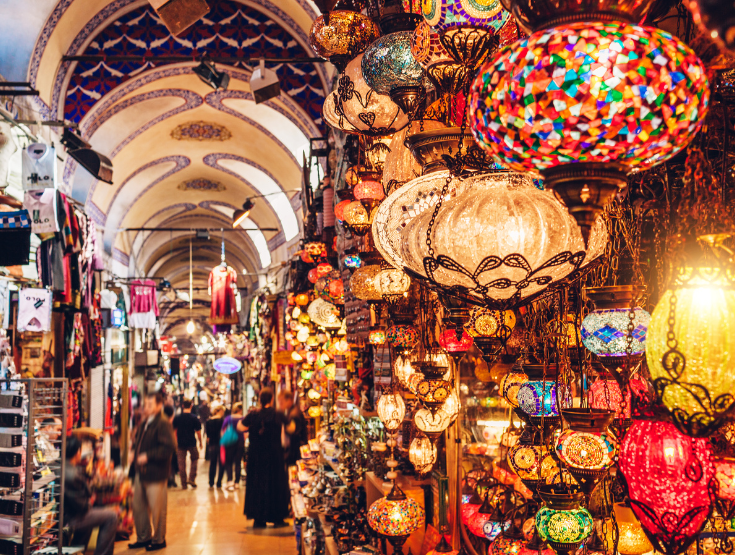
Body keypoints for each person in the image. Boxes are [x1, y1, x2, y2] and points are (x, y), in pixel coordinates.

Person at [129, 391, 176, 551]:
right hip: (141, 472)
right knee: (138, 507)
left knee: (157, 509)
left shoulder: (162, 423)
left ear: (158, 405)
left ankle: (158, 539)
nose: (146, 408)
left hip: (156, 473)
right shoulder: (145, 422)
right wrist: (133, 453)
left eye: (150, 405)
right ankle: (143, 537)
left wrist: (147, 456)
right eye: (145, 404)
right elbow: (140, 442)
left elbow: (168, 447)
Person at [237, 388, 289, 528]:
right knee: (275, 485)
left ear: (260, 400)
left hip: (257, 455)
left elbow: (240, 426)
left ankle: (259, 519)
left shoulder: (253, 415)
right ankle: (277, 518)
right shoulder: (277, 414)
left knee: (257, 485)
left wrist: (251, 430)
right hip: (274, 455)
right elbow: (291, 427)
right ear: (271, 399)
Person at [64, 436, 119, 555]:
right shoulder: (73, 474)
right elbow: (81, 506)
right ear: (77, 452)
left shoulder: (60, 467)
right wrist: (90, 500)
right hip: (71, 518)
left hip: (64, 516)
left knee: (92, 517)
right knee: (112, 516)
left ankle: (77, 551)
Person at [173, 399, 202, 489]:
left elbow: (174, 431)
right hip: (191, 442)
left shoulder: (177, 417)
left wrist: (175, 442)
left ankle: (183, 483)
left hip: (180, 443)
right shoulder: (194, 418)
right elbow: (198, 432)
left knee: (181, 463)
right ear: (191, 406)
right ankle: (192, 478)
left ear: (182, 406)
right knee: (195, 458)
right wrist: (201, 442)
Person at [278, 390, 307, 467]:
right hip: (294, 452)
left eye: (281, 402)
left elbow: (293, 433)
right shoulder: (291, 411)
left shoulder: (294, 414)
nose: (280, 405)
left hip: (295, 453)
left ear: (289, 400)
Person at [221, 403, 244, 491]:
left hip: (230, 442)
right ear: (240, 410)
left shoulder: (228, 418)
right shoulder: (243, 418)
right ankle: (237, 483)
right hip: (240, 441)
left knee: (229, 462)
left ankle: (230, 481)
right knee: (238, 462)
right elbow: (245, 431)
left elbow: (223, 430)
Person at [205, 406, 226, 489]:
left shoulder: (208, 421)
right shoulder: (222, 421)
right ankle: (219, 482)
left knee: (212, 464)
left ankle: (211, 482)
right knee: (221, 464)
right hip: (222, 445)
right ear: (220, 411)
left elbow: (208, 437)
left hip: (212, 445)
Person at [162, 405, 177, 488]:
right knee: (171, 464)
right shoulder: (168, 424)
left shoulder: (162, 423)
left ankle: (169, 480)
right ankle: (171, 479)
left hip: (165, 449)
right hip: (169, 449)